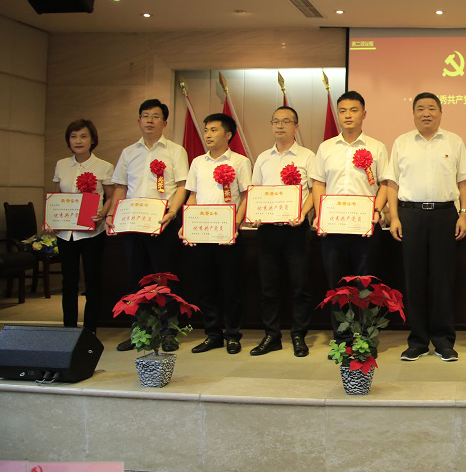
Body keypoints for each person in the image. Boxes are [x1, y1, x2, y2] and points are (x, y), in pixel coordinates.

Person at [387, 92, 466, 362]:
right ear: (413, 113)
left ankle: (444, 341)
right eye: (421, 108)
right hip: (410, 215)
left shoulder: (454, 141)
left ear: (440, 112)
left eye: (432, 108)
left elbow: (464, 182)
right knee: (414, 280)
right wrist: (394, 217)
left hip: (444, 215)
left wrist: (463, 214)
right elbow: (392, 183)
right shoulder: (401, 142)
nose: (426, 113)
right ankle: (418, 341)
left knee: (443, 280)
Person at [106, 99, 189, 352]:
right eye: (145, 116)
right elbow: (121, 187)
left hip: (163, 222)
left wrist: (172, 212)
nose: (149, 120)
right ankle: (139, 332)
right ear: (139, 121)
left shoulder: (175, 151)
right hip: (133, 223)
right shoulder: (128, 152)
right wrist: (112, 214)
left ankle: (168, 332)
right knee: (135, 278)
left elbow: (182, 186)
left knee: (165, 279)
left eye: (155, 116)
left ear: (165, 122)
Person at [311, 92, 389, 348]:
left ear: (364, 114)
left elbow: (385, 184)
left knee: (366, 286)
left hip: (365, 227)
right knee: (337, 287)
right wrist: (320, 215)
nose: (347, 115)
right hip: (333, 228)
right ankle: (343, 339)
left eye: (353, 110)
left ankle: (365, 338)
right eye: (343, 110)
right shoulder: (326, 148)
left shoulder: (377, 147)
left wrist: (376, 210)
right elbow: (318, 184)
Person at [249, 105, 317, 357]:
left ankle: (299, 335)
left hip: (296, 230)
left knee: (300, 285)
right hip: (268, 231)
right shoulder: (263, 158)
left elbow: (314, 191)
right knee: (269, 287)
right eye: (276, 121)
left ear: (296, 126)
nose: (280, 125)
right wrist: (254, 214)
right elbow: (255, 191)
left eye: (286, 121)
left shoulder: (307, 156)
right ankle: (272, 335)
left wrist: (303, 213)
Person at [182, 113, 252, 355]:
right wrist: (186, 224)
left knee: (231, 287)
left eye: (214, 130)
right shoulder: (197, 162)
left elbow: (246, 196)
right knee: (205, 286)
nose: (208, 135)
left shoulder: (240, 162)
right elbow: (192, 196)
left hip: (227, 234)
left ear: (228, 134)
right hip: (201, 233)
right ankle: (212, 334)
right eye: (206, 130)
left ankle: (232, 335)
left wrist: (236, 223)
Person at [51, 119, 114, 334]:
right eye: (73, 136)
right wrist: (51, 219)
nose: (78, 141)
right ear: (68, 140)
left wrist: (102, 214)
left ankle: (89, 330)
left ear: (93, 140)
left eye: (83, 136)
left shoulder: (104, 166)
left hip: (92, 232)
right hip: (65, 233)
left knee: (92, 281)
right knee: (68, 281)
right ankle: (68, 330)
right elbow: (57, 196)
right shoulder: (61, 164)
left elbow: (110, 197)